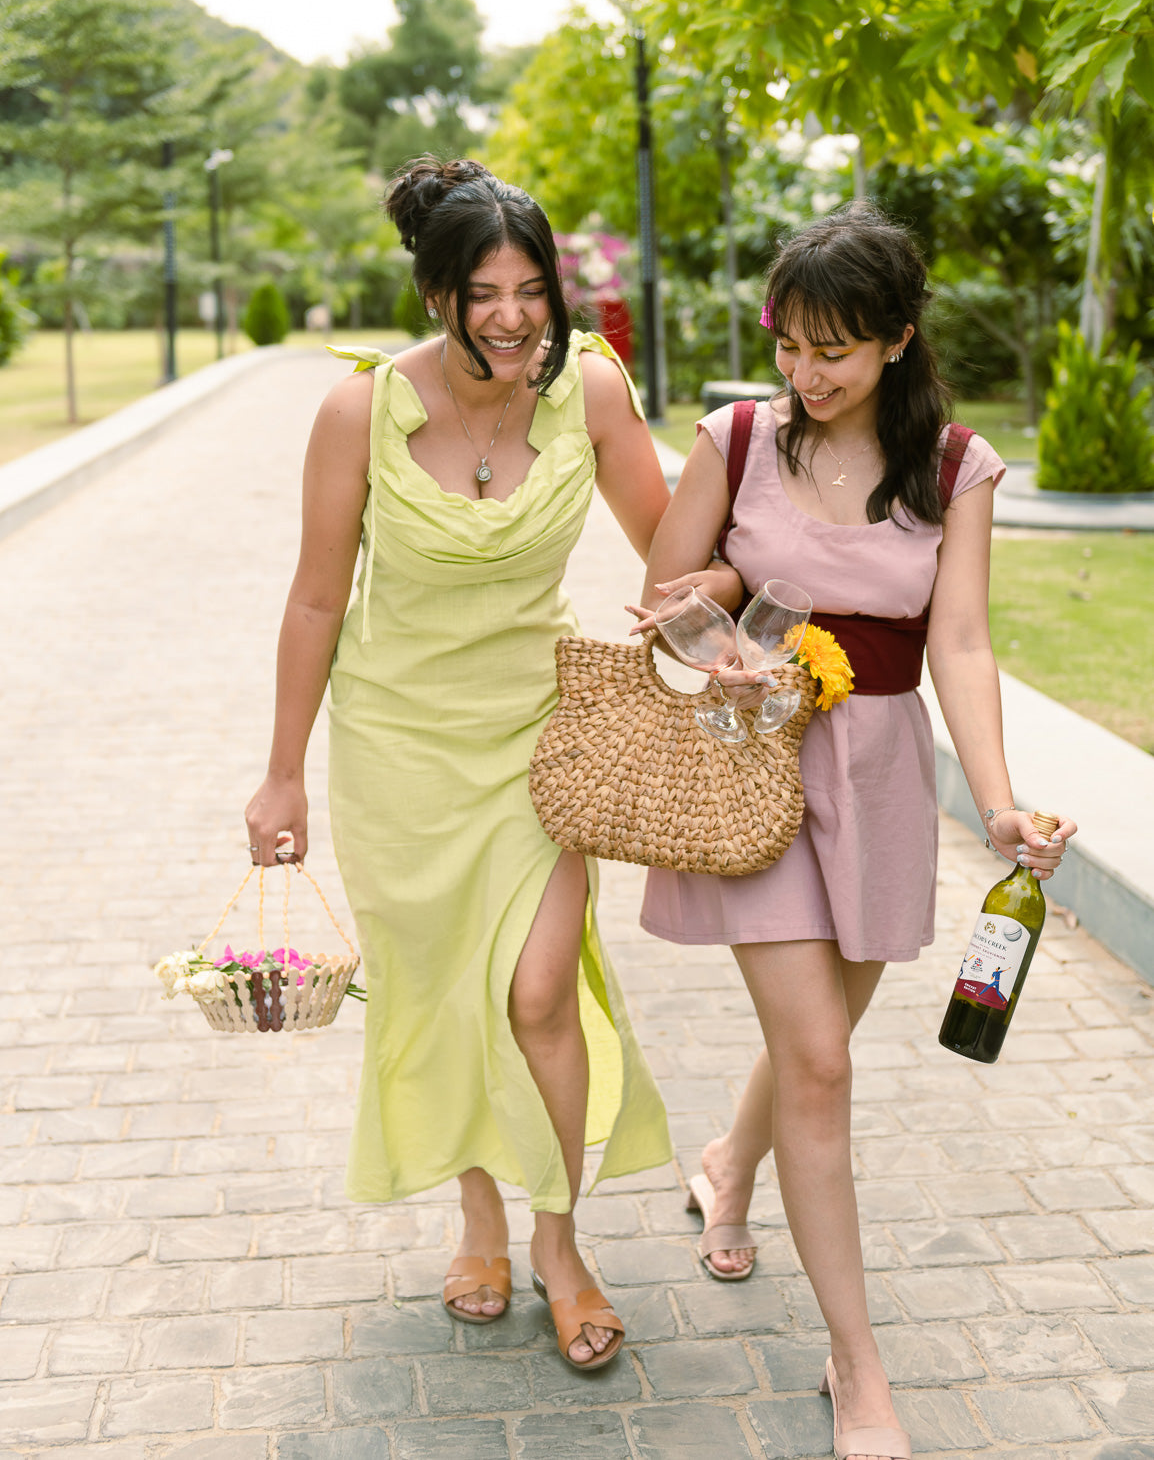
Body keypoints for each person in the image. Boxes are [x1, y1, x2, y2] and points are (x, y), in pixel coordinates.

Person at [629, 204, 1076, 1460]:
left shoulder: (955, 467)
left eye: (831, 349)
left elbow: (964, 643)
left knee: (813, 1038)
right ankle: (855, 1363)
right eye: (787, 343)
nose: (803, 373)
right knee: (820, 1060)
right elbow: (664, 601)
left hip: (877, 775)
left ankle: (729, 1161)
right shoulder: (732, 437)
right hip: (749, 764)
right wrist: (716, 627)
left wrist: (994, 799)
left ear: (893, 338)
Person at [245, 158, 672, 1371]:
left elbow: (671, 542)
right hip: (397, 750)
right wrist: (281, 773)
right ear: (436, 294)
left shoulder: (587, 392)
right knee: (443, 996)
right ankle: (479, 1221)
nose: (510, 316)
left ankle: (559, 1241)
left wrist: (728, 615)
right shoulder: (362, 412)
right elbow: (318, 600)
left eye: (530, 288)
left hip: (533, 742)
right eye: (481, 291)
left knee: (538, 992)